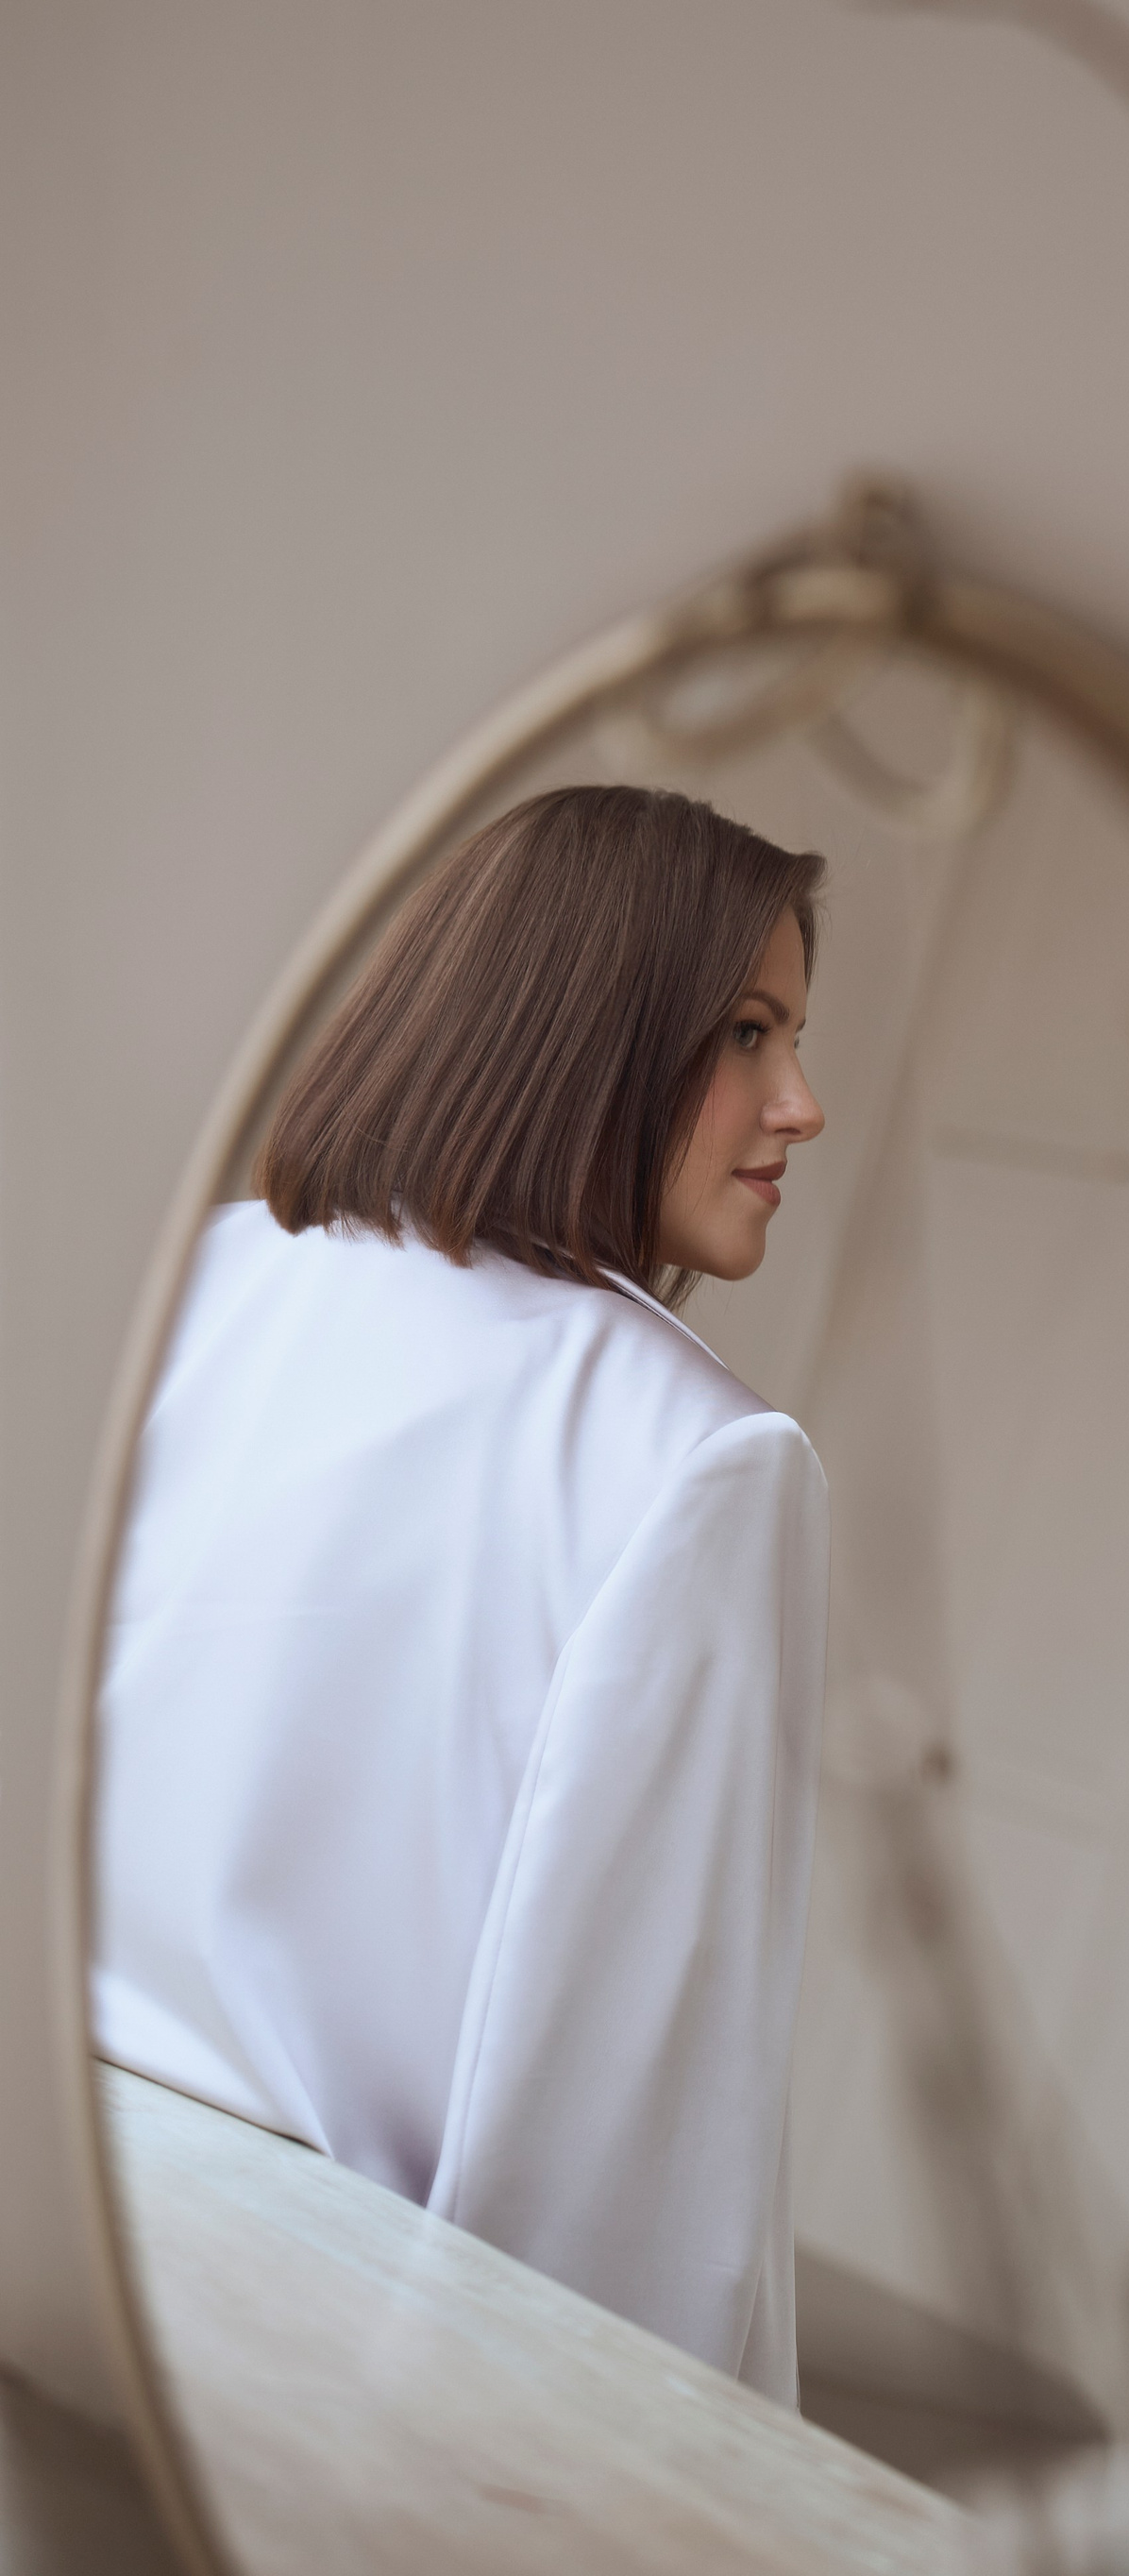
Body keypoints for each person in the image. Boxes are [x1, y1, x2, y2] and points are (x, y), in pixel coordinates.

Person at [90, 784, 831, 2405]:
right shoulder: (699, 1457)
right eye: (747, 1034)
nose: (803, 1104)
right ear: (591, 1023)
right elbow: (626, 2165)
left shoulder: (196, 1278)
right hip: (300, 2368)